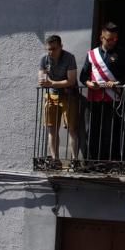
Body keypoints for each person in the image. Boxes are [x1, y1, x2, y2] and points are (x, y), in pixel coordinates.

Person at [80, 22, 125, 164]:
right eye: (109, 39)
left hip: (113, 98)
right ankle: (92, 161)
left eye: (115, 39)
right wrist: (90, 83)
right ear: (101, 37)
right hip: (94, 98)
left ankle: (110, 162)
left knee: (111, 131)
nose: (112, 42)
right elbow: (83, 76)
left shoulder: (122, 54)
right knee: (93, 130)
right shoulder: (92, 54)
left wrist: (116, 83)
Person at [38, 34, 79, 164]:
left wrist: (52, 83)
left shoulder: (69, 58)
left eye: (54, 49)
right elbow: (42, 79)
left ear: (61, 46)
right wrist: (45, 82)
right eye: (48, 49)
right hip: (51, 95)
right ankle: (55, 160)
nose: (51, 52)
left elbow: (71, 81)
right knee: (52, 129)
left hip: (69, 95)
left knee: (72, 128)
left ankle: (75, 160)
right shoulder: (44, 59)